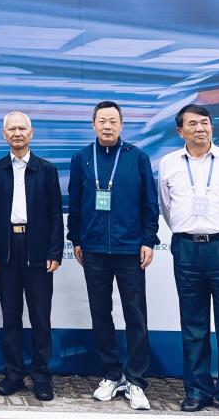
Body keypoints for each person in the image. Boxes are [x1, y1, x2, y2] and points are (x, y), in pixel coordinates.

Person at [158, 104, 219, 417]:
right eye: (193, 124)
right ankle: (197, 391)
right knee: (193, 324)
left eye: (205, 123)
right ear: (180, 131)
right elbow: (167, 208)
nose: (200, 128)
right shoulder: (169, 164)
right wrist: (189, 232)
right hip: (187, 248)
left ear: (211, 127)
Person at [67, 101, 159, 411]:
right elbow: (75, 203)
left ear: (121, 125)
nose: (107, 126)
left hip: (129, 248)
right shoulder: (81, 158)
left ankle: (136, 380)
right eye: (102, 121)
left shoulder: (137, 157)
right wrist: (76, 238)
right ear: (93, 124)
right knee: (100, 312)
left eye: (113, 121)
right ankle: (111, 374)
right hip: (93, 249)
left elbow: (150, 202)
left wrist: (148, 239)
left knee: (135, 314)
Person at [0, 111, 63, 402]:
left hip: (38, 249)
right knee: (11, 315)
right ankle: (13, 374)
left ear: (31, 133)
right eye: (11, 129)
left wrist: (55, 251)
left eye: (22, 128)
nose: (17, 133)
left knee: (40, 316)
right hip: (6, 248)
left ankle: (41, 376)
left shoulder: (46, 169)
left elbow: (56, 214)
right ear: (4, 134)